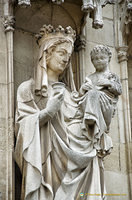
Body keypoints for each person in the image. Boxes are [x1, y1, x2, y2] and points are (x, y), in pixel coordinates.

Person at [15, 25, 114, 200]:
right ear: (46, 54)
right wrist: (47, 112)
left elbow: (84, 122)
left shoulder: (71, 93)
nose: (66, 60)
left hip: (83, 160)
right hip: (50, 164)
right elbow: (22, 128)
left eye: (68, 56)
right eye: (61, 53)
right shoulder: (28, 88)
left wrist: (91, 102)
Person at [78, 45, 122, 157]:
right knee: (91, 94)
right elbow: (80, 95)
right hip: (90, 102)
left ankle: (91, 118)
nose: (99, 61)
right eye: (95, 59)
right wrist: (83, 89)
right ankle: (90, 117)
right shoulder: (90, 77)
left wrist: (109, 83)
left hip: (106, 104)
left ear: (108, 59)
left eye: (102, 58)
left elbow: (119, 90)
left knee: (93, 93)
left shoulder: (111, 76)